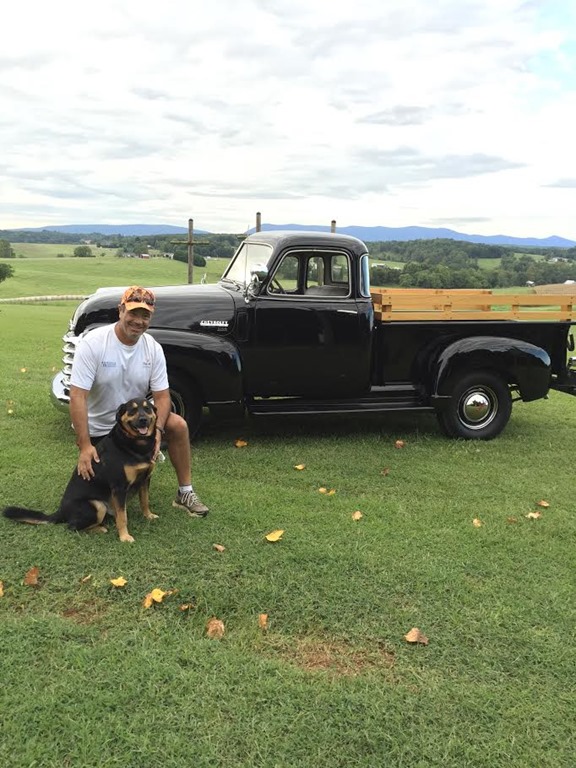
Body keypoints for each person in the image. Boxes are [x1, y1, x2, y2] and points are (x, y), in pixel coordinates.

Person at [69, 285, 208, 517]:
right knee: (102, 496)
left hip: (136, 426)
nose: (139, 321)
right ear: (120, 310)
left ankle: (185, 492)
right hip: (101, 430)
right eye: (133, 313)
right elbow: (77, 396)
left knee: (179, 425)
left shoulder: (152, 348)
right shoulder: (93, 343)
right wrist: (84, 446)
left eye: (145, 316)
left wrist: (158, 431)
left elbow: (163, 397)